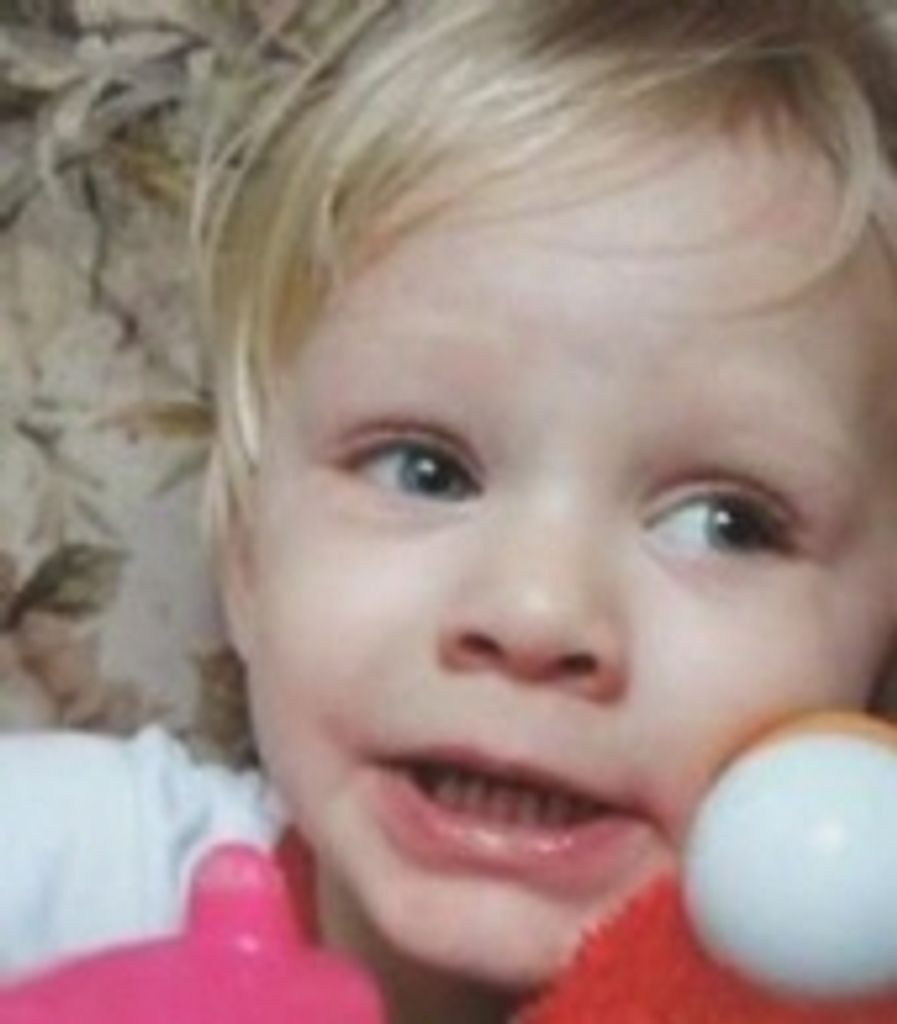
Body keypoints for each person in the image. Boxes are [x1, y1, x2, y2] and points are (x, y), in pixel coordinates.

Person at [3, 3, 897, 1021]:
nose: (534, 614)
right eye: (423, 471)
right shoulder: (97, 874)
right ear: (247, 558)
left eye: (724, 524)